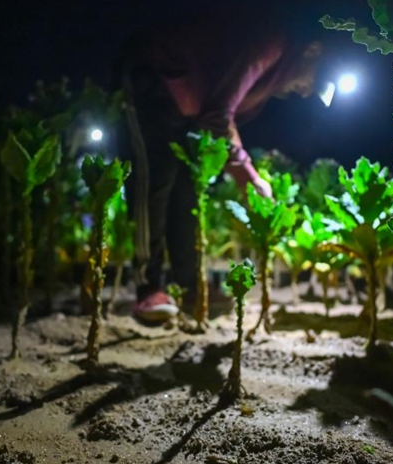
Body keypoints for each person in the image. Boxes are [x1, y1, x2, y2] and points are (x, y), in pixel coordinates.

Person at [113, 6, 327, 322]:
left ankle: (188, 287)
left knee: (187, 187)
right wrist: (249, 180)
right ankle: (148, 286)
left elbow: (222, 120)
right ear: (312, 51)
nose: (307, 92)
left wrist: (247, 174)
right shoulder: (270, 43)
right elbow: (218, 115)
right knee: (155, 180)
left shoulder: (270, 73)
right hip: (153, 78)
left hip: (186, 109)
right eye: (315, 82)